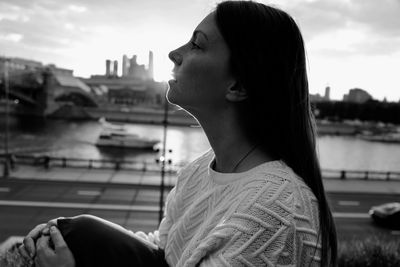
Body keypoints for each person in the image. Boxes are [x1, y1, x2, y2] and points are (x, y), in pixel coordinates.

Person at [17, 1, 338, 266]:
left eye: (197, 44)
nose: (174, 52)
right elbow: (166, 252)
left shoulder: (276, 215)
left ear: (238, 85)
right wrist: (67, 242)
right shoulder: (198, 171)